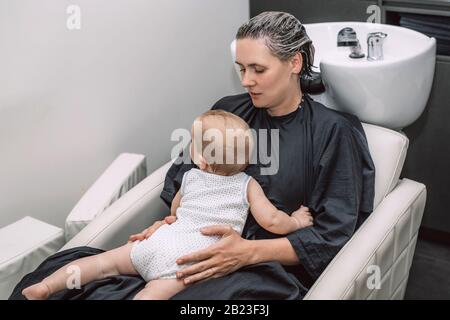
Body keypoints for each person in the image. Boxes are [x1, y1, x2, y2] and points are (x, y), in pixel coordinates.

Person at [10, 11, 374, 300]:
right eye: (241, 69)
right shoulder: (229, 113)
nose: (246, 81)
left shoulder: (333, 132)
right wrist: (171, 223)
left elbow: (331, 236)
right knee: (60, 272)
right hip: (183, 245)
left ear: (294, 63)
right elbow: (186, 177)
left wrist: (247, 252)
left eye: (258, 70)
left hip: (262, 269)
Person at [21, 110, 313, 300]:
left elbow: (175, 212)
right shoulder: (247, 185)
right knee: (153, 294)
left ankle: (47, 287)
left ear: (200, 159)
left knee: (100, 264)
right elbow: (273, 221)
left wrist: (173, 219)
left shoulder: (191, 177)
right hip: (188, 260)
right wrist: (297, 221)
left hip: (157, 243)